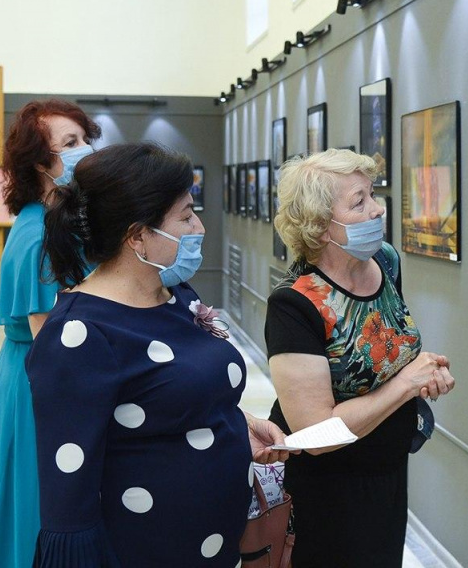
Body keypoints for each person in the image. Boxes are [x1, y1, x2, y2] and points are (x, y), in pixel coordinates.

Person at [27, 143, 290, 566]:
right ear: (138, 236)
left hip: (215, 543)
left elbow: (175, 390)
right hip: (144, 549)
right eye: (185, 216)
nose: (200, 227)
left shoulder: (176, 294)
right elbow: (68, 494)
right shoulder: (79, 333)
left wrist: (240, 423)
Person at [265, 149, 456, 567]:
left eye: (373, 194)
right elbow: (314, 433)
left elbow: (390, 348)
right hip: (327, 489)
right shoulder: (294, 304)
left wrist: (423, 374)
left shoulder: (384, 260)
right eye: (359, 201)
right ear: (318, 225)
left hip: (387, 473)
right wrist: (406, 384)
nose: (377, 209)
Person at [0, 99, 101, 567]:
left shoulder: (60, 221)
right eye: (70, 143)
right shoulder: (36, 234)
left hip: (39, 379)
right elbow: (54, 344)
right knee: (37, 508)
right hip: (38, 385)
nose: (86, 150)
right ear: (40, 162)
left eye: (86, 139)